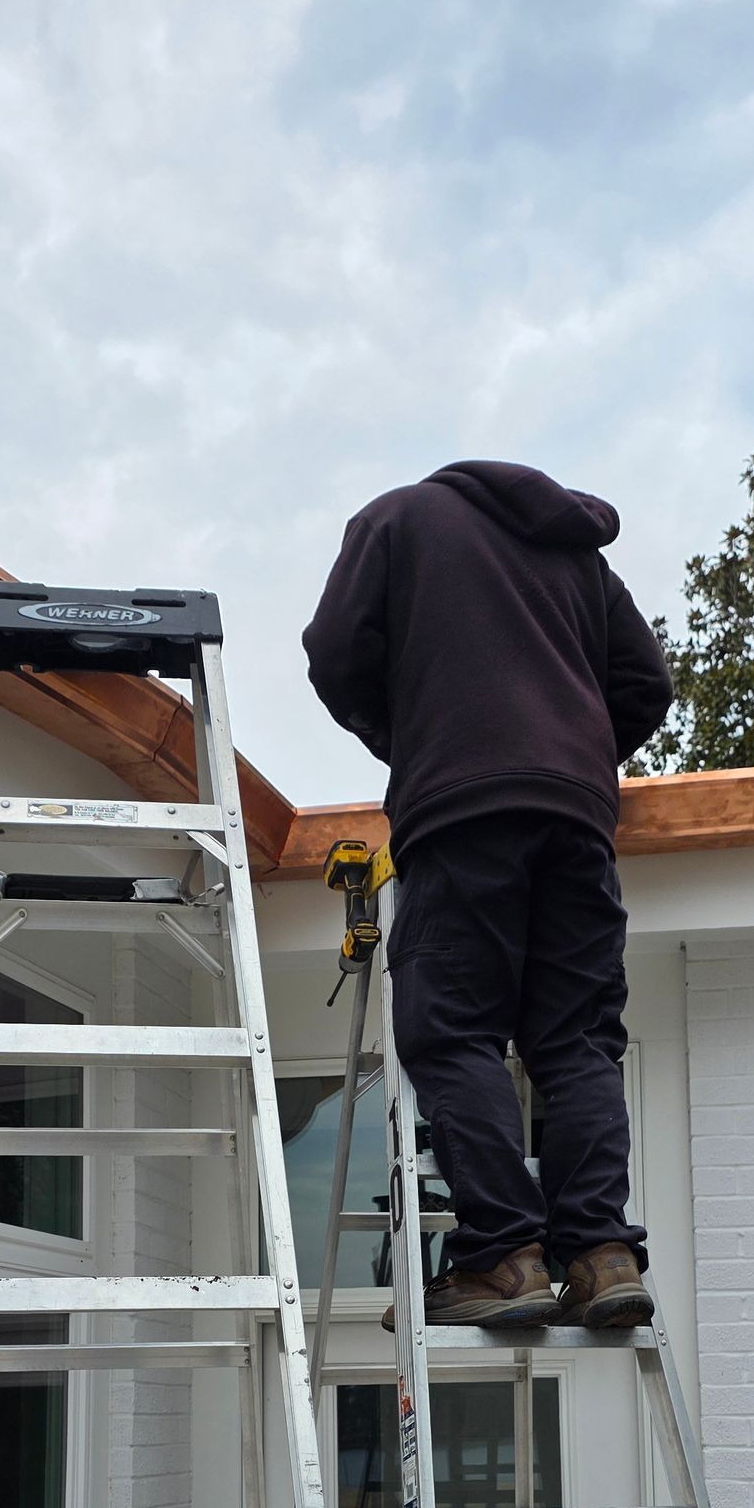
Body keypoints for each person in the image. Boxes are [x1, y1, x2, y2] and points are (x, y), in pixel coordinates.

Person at [302, 460, 673, 1329]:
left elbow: (334, 653)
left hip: (462, 812)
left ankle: (504, 1257)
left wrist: (412, 738)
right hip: (578, 824)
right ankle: (600, 1256)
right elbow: (645, 686)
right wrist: (571, 756)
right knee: (577, 1037)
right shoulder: (580, 559)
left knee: (453, 1026)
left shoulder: (396, 522)